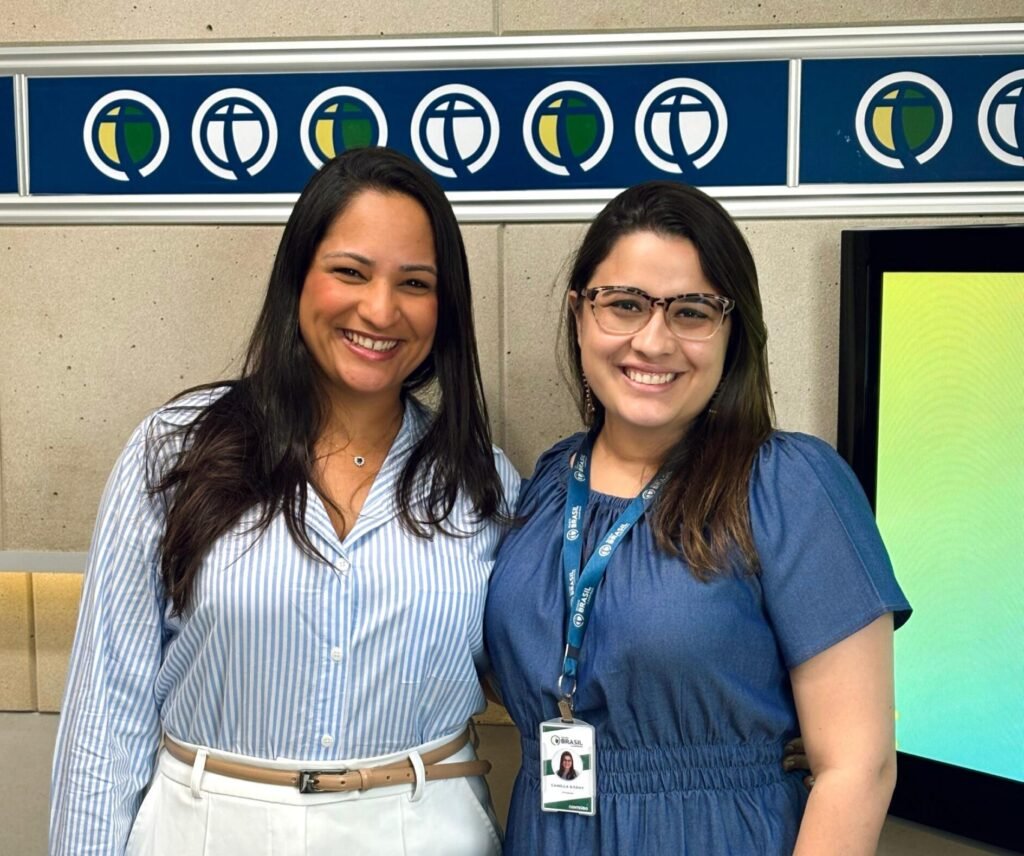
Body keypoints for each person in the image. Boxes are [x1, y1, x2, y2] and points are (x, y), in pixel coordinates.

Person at [49, 147, 518, 856]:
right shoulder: (176, 452)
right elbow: (105, 714)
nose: (380, 309)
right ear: (297, 277)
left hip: (421, 824)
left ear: (444, 307)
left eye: (414, 283)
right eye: (350, 272)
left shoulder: (482, 483)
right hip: (207, 828)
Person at [484, 181, 911, 854]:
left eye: (691, 312)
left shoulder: (789, 487)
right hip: (550, 827)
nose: (654, 341)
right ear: (579, 313)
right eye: (624, 305)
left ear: (732, 331)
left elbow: (858, 768)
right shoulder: (548, 482)